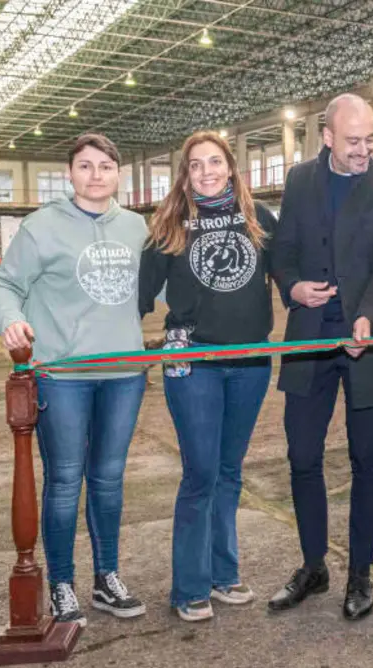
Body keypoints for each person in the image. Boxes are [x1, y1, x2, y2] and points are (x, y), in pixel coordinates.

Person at [0, 133, 149, 627]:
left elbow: (167, 280)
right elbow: (3, 284)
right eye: (85, 166)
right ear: (69, 173)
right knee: (63, 481)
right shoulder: (41, 228)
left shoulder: (137, 227)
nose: (95, 175)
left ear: (117, 174)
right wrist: (9, 320)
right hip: (63, 375)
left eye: (104, 166)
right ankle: (60, 582)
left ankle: (107, 577)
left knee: (109, 479)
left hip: (124, 374)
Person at [269, 94, 373, 621]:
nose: (364, 149)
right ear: (327, 137)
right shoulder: (300, 179)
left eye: (371, 139)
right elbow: (282, 251)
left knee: (366, 461)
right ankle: (313, 566)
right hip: (309, 340)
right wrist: (293, 287)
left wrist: (368, 320)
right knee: (302, 457)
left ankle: (360, 574)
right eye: (353, 141)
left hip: (366, 341)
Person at [139, 131, 278, 622]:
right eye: (195, 165)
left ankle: (224, 573)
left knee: (230, 470)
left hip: (250, 361)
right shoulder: (171, 223)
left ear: (230, 166)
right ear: (185, 174)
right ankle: (190, 586)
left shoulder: (260, 218)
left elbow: (287, 274)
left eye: (214, 162)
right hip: (192, 360)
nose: (206, 172)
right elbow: (139, 294)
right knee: (200, 472)